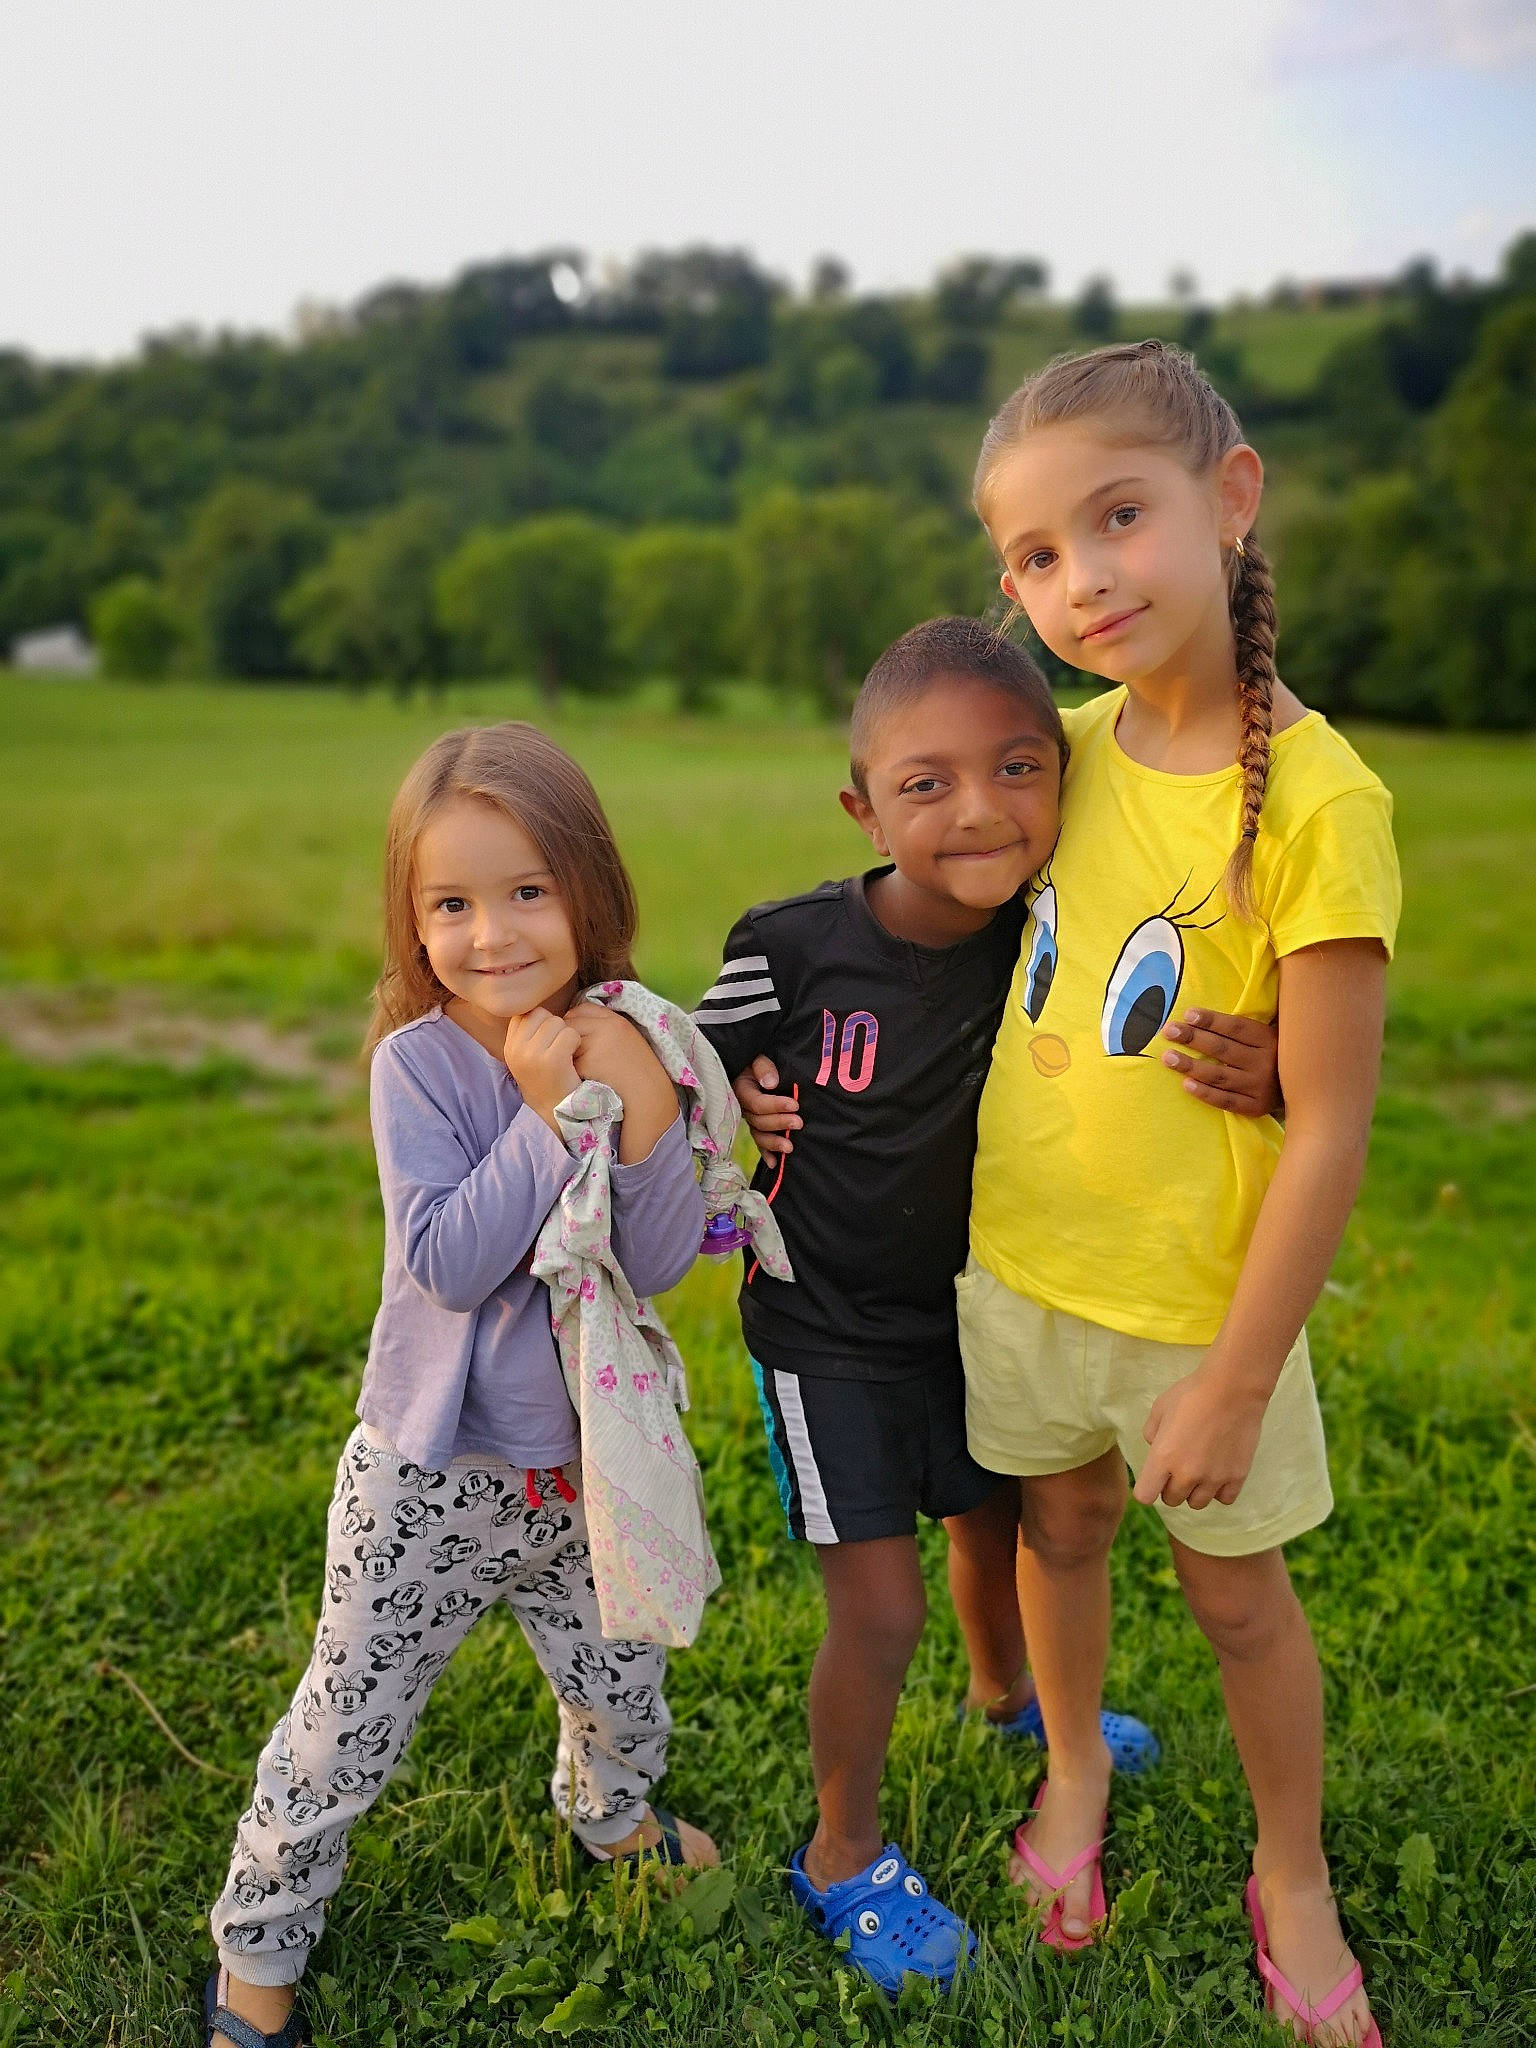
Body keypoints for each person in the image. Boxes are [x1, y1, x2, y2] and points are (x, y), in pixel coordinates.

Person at [700, 618, 1281, 1995]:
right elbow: (673, 1050)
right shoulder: (787, 948)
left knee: (999, 1524)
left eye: (1021, 767)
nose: (978, 810)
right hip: (825, 1331)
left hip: (982, 1307)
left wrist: (1272, 1060)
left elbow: (1192, 995)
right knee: (880, 1605)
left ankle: (1009, 1697)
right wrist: (729, 1091)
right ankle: (842, 1852)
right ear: (862, 805)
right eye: (926, 783)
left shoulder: (1050, 930)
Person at [958, 341, 1397, 2044]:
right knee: (1060, 1531)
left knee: (1236, 1596)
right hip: (1024, 1268)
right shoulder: (1047, 756)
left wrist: (1229, 1375)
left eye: (1118, 517)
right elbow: (923, 911)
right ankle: (1073, 1771)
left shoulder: (1322, 804)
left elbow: (1337, 1126)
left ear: (1231, 499)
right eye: (1039, 557)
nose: (1083, 579)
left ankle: (1292, 1868)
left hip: (1200, 1309)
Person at [205, 723, 716, 2048]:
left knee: (619, 1681)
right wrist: (551, 1120)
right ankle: (259, 1946)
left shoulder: (624, 1043)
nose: (492, 933)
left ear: (588, 891)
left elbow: (654, 1258)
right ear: (414, 919)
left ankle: (613, 1816)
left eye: (527, 892)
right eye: (452, 903)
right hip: (431, 1477)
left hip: (590, 1467)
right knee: (348, 1716)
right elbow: (445, 1259)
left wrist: (642, 1111)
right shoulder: (418, 1067)